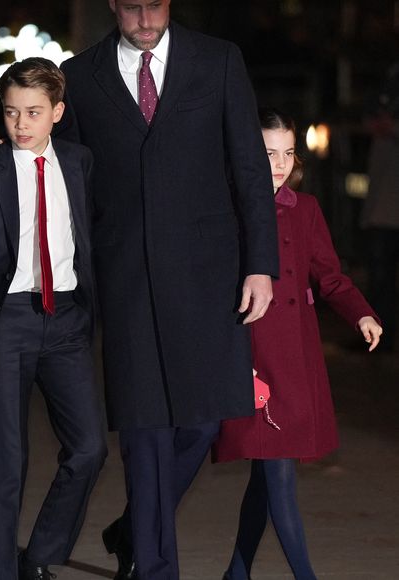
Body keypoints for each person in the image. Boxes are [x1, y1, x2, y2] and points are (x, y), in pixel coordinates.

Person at [56, 2, 279, 579]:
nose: (144, 17)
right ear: (112, 5)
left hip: (212, 276)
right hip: (124, 277)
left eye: (154, 3)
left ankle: (135, 528)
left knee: (206, 420)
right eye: (131, 6)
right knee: (145, 432)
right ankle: (154, 568)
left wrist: (262, 265)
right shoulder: (80, 77)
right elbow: (67, 179)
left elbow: (250, 168)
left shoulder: (219, 61)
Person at [0, 57, 107, 580]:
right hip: (4, 326)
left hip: (66, 320)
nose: (20, 124)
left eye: (33, 112)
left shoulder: (80, 162)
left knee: (89, 448)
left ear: (57, 112)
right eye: (12, 112)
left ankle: (37, 555)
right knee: (5, 465)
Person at [212, 108, 383, 580]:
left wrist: (361, 312)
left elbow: (330, 275)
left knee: (267, 479)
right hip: (252, 355)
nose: (281, 163)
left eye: (288, 153)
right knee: (278, 477)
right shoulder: (228, 208)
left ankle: (236, 572)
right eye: (269, 153)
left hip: (296, 356)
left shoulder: (306, 209)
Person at [360, 61, 399, 352]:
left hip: (388, 208)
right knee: (379, 274)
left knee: (384, 273)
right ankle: (380, 333)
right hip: (381, 209)